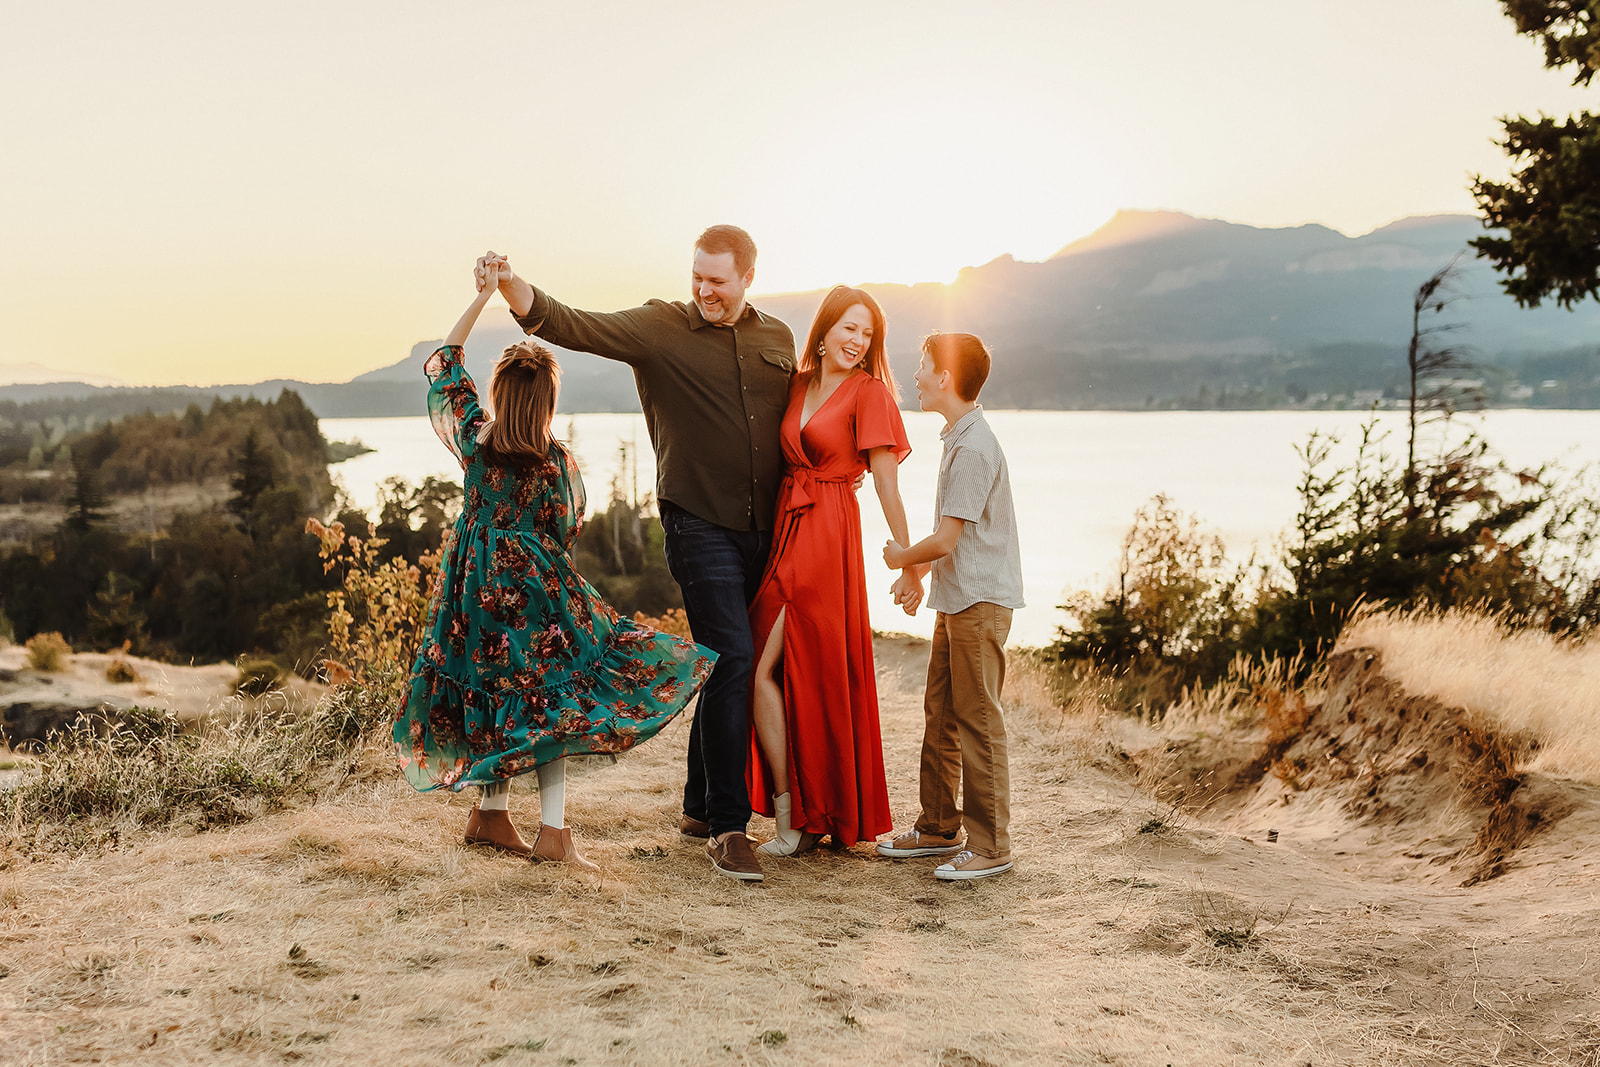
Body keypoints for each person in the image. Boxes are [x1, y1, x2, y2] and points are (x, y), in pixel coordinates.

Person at [477, 226, 795, 882]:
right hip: (697, 525)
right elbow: (571, 323)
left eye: (719, 280)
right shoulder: (659, 328)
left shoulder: (780, 340)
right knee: (732, 657)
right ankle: (730, 828)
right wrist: (511, 284)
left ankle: (697, 807)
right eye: (698, 276)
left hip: (766, 530)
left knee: (731, 663)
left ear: (749, 277)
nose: (705, 290)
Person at [394, 263, 717, 873]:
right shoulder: (553, 461)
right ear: (547, 404)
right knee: (550, 703)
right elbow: (567, 524)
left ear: (498, 394)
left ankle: (491, 814)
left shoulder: (474, 439)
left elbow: (445, 360)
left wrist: (484, 295)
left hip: (473, 591)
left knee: (495, 692)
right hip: (538, 593)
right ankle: (552, 833)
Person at [745, 286, 917, 856]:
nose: (857, 341)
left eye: (866, 334)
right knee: (762, 667)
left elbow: (887, 482)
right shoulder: (796, 385)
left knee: (800, 670)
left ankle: (801, 817)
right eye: (849, 328)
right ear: (823, 333)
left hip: (829, 536)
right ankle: (795, 807)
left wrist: (909, 559)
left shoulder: (869, 393)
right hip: (787, 528)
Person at [879, 332, 1024, 881]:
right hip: (960, 598)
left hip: (980, 604)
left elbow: (944, 539)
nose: (914, 376)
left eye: (922, 367)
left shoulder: (975, 447)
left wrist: (902, 560)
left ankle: (991, 847)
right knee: (941, 714)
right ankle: (939, 827)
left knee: (978, 721)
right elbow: (952, 543)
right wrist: (923, 582)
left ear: (946, 378)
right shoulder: (959, 438)